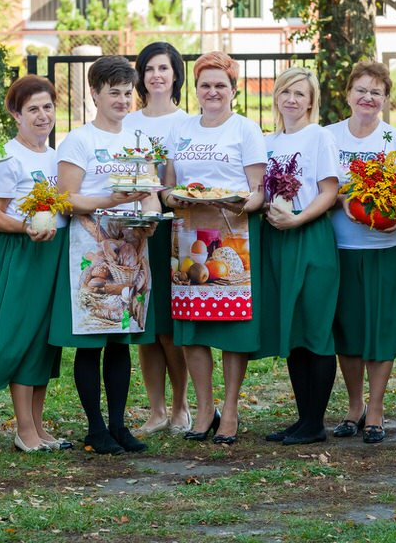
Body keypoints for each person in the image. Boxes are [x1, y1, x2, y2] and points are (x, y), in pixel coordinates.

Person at [51, 55, 162, 454]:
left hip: (132, 248)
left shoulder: (139, 141)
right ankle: (95, 428)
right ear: (94, 94)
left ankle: (118, 425)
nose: (122, 100)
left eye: (127, 93)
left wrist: (151, 219)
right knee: (92, 339)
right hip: (92, 250)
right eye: (113, 92)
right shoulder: (79, 141)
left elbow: (149, 193)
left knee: (121, 340)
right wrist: (110, 200)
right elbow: (66, 199)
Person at [161, 51, 267, 445]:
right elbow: (168, 187)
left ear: (233, 90)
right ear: (196, 89)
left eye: (220, 84)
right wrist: (174, 198)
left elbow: (258, 191)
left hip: (233, 237)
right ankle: (205, 409)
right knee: (193, 330)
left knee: (233, 328)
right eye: (205, 85)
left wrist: (237, 204)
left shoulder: (245, 130)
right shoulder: (181, 130)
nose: (212, 91)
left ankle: (231, 409)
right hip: (188, 237)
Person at [326, 61, 396, 444]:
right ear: (348, 94)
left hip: (385, 248)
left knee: (381, 329)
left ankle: (376, 410)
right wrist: (343, 199)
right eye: (361, 90)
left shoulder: (395, 139)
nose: (367, 97)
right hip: (341, 247)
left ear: (385, 99)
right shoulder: (328, 136)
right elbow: (319, 188)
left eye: (376, 92)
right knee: (347, 329)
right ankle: (354, 407)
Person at [0, 75, 70, 452]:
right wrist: (26, 227)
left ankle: (38, 426)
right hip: (22, 253)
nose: (43, 115)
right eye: (33, 109)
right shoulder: (8, 157)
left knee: (44, 340)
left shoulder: (57, 157)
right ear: (16, 114)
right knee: (22, 335)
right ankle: (24, 429)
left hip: (54, 252)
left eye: (48, 107)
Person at [256, 67, 341, 445]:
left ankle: (315, 423)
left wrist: (298, 219)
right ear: (276, 96)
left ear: (311, 101)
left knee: (315, 329)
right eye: (286, 92)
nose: (291, 99)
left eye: (300, 94)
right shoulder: (268, 142)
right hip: (277, 240)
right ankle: (303, 418)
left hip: (310, 236)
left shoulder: (319, 137)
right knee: (292, 329)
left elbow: (329, 191)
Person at [125, 42, 192, 436]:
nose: (156, 76)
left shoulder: (188, 124)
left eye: (163, 68)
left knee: (169, 328)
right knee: (145, 326)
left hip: (173, 231)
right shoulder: (128, 123)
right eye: (149, 69)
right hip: (135, 230)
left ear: (176, 74)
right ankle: (156, 410)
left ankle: (181, 406)